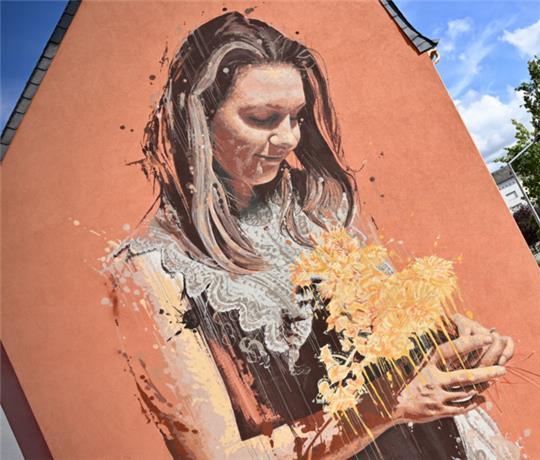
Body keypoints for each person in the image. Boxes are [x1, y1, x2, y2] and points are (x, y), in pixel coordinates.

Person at [106, 12, 517, 459]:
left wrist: (457, 339)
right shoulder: (152, 270)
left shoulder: (324, 209)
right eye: (262, 118)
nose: (287, 139)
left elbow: (396, 329)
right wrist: (389, 406)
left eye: (297, 118)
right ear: (197, 120)